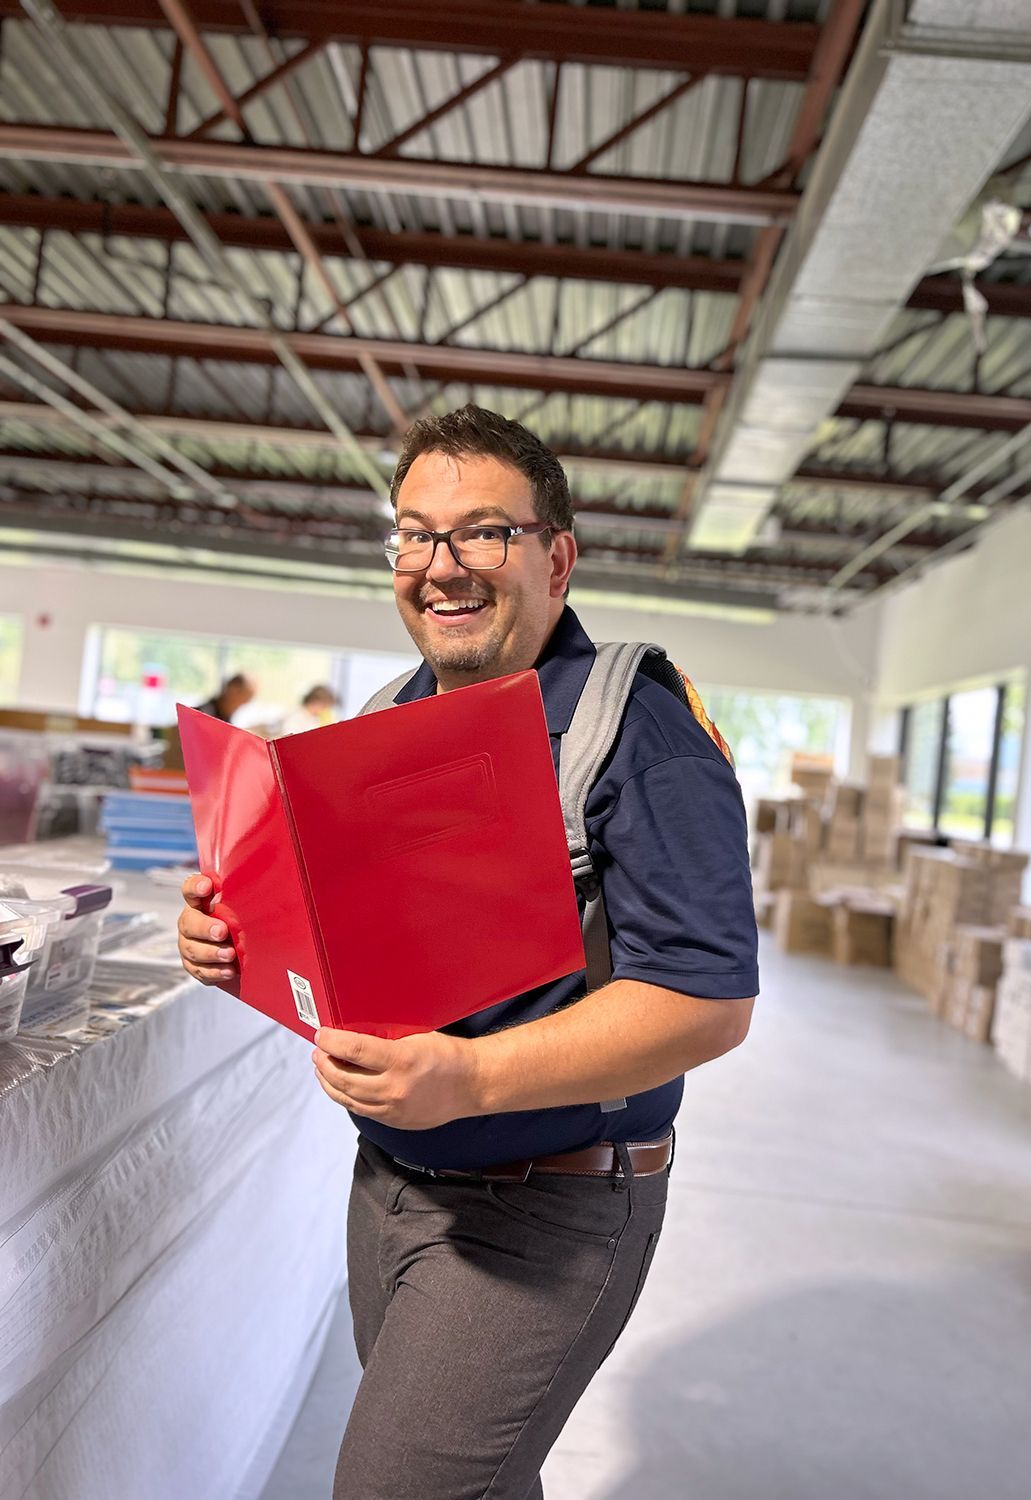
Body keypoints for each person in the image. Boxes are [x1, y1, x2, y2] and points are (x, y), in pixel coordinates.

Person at [176, 404, 759, 1500]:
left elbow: (706, 1001)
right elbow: (354, 935)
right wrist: (232, 932)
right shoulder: (389, 718)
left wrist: (473, 1074)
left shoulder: (641, 734)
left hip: (549, 1207)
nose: (441, 566)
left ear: (557, 557)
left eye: (483, 531)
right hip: (391, 1183)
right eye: (414, 533)